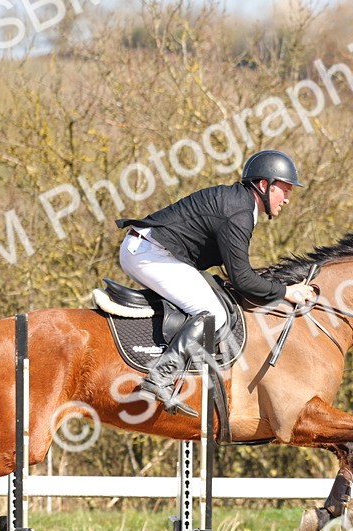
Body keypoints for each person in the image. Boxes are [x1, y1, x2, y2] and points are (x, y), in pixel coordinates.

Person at [115, 149, 316, 417]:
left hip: (151, 249)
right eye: (286, 190)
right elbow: (242, 279)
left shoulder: (240, 204)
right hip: (150, 253)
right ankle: (161, 376)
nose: (288, 199)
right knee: (213, 313)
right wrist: (286, 291)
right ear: (264, 185)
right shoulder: (239, 213)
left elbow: (234, 270)